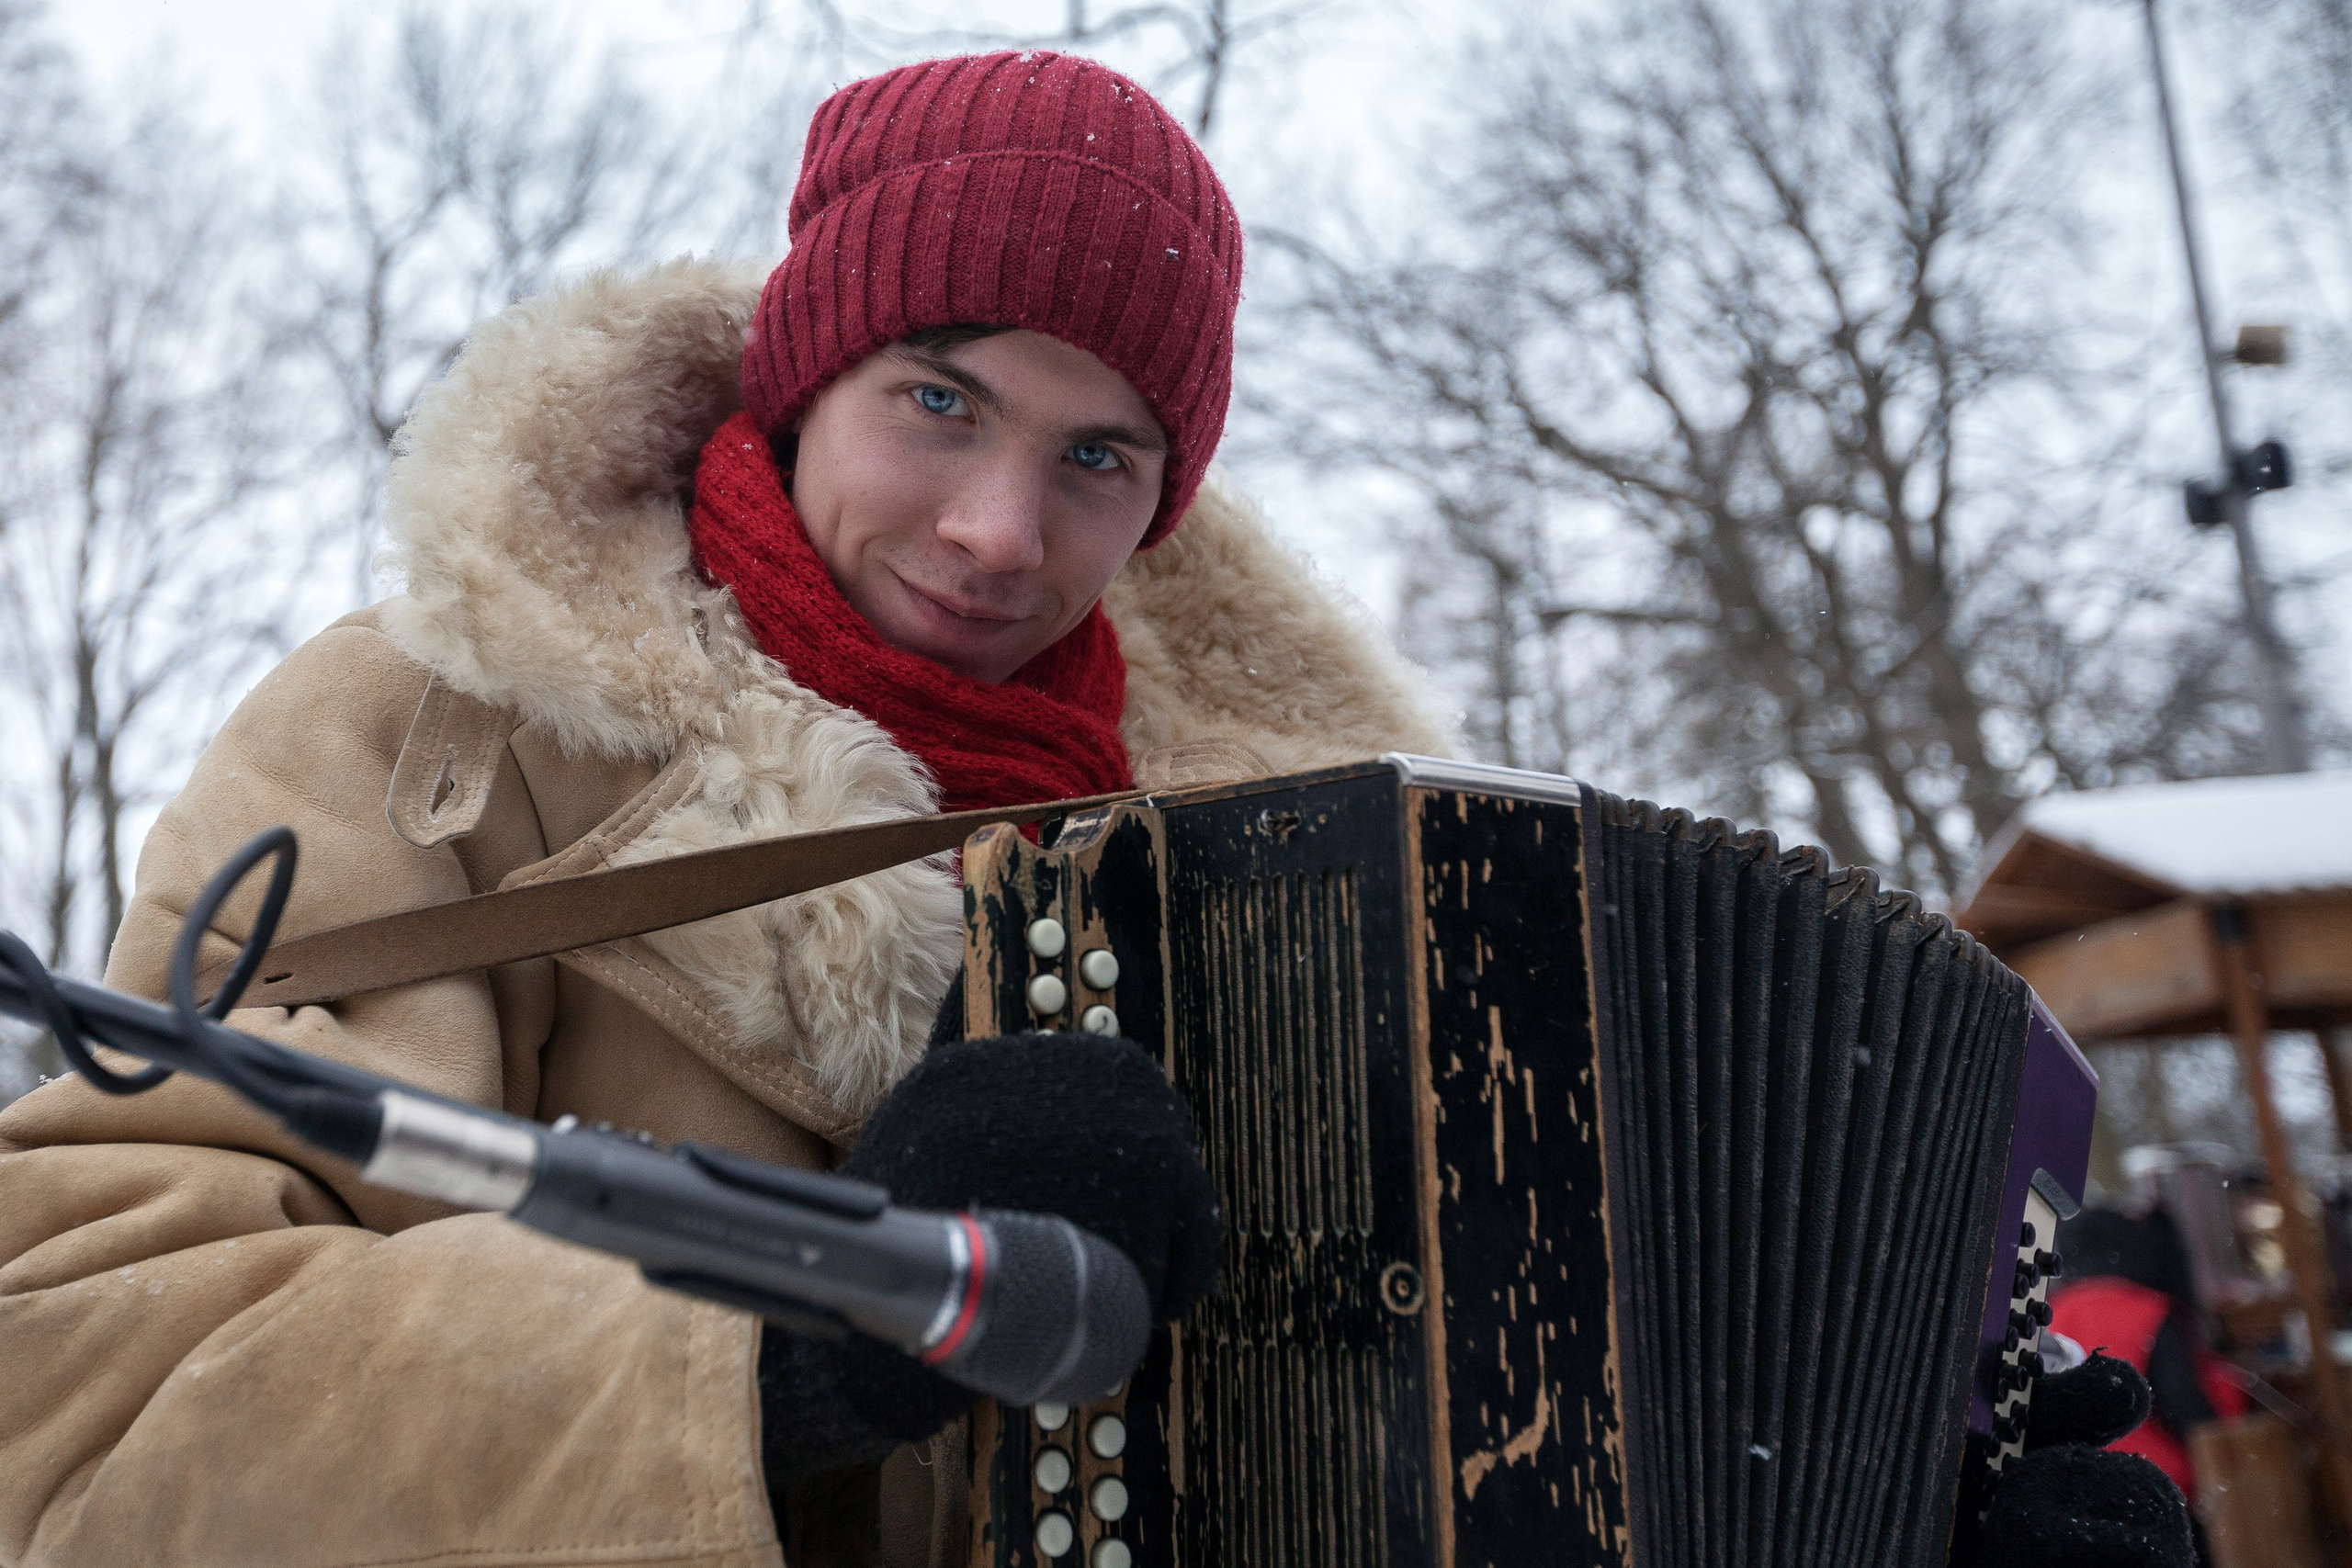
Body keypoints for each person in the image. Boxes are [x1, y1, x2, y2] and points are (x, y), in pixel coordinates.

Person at [0, 50, 2188, 1568]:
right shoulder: (428, 726)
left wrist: (1907, 1494)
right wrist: (776, 1345)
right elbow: (80, 1396)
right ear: (803, 370)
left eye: (1095, 455)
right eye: (935, 399)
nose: (989, 522)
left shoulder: (1357, 878)